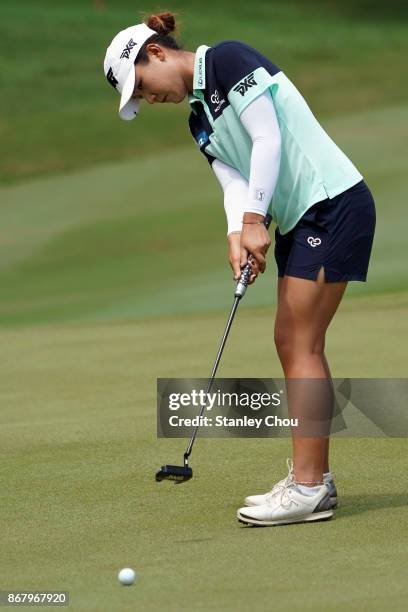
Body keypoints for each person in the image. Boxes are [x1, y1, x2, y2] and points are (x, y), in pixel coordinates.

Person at [103, 12, 376, 526]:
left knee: (299, 342)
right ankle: (312, 478)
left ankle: (308, 486)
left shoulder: (226, 59)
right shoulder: (198, 120)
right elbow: (235, 180)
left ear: (157, 53)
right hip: (301, 216)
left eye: (141, 86)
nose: (148, 99)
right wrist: (238, 233)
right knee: (291, 341)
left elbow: (267, 138)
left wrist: (255, 220)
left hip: (332, 203)